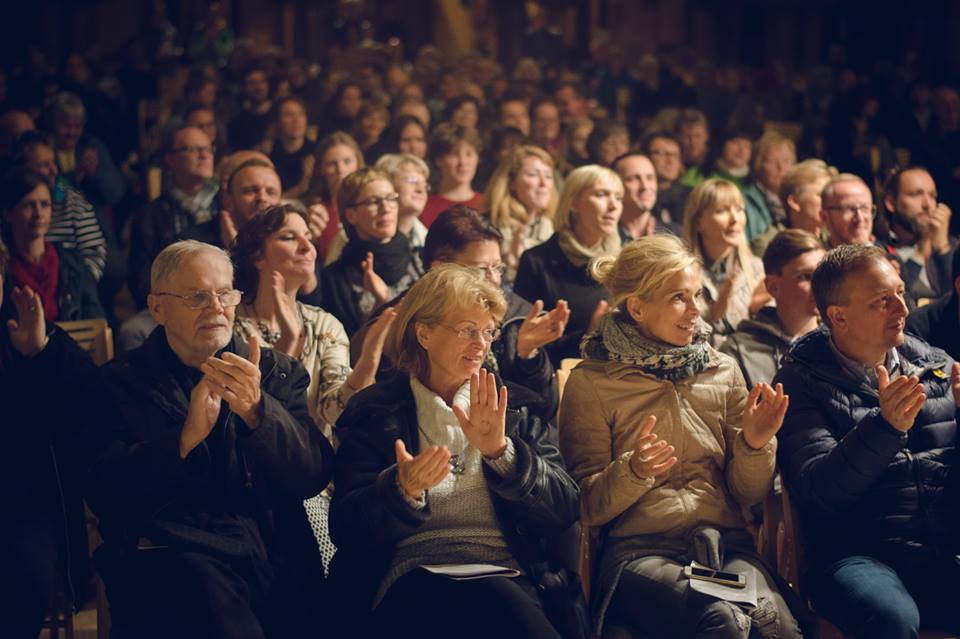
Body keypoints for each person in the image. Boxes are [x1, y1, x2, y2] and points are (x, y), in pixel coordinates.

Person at [85, 240, 334, 639]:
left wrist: (258, 412)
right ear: (157, 307)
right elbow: (104, 488)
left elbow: (311, 474)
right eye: (196, 296)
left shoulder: (274, 372)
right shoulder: (119, 383)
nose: (216, 308)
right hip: (172, 556)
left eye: (224, 294)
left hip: (270, 552)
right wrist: (183, 441)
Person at [559, 234, 802, 639]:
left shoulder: (721, 369)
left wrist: (755, 445)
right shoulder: (592, 381)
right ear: (636, 307)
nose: (696, 312)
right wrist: (634, 471)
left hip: (725, 546)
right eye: (678, 298)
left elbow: (747, 493)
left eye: (697, 295)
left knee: (777, 627)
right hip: (641, 552)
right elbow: (587, 507)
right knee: (724, 621)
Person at [328, 264, 581, 639]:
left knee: (501, 603)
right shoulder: (373, 411)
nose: (481, 344)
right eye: (467, 331)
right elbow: (345, 528)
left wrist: (502, 453)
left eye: (488, 332)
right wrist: (401, 491)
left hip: (505, 571)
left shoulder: (516, 408)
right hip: (412, 575)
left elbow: (565, 509)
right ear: (424, 333)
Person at [774, 243, 960, 638]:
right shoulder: (800, 382)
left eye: (900, 293)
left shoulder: (937, 368)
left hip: (939, 546)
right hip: (855, 554)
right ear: (838, 317)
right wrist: (885, 427)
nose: (902, 309)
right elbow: (816, 492)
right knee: (891, 617)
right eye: (882, 301)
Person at [351, 205, 565, 419]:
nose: (494, 279)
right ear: (439, 268)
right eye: (480, 269)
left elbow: (544, 413)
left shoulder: (518, 315)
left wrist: (528, 357)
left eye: (497, 268)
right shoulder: (400, 321)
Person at [0, 242, 98, 638]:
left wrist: (40, 352)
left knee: (28, 575)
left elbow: (93, 400)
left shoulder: (24, 329)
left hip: (20, 502)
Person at [231, 202, 394, 437]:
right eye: (289, 237)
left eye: (308, 237)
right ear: (257, 256)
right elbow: (248, 418)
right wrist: (287, 344)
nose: (307, 247)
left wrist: (366, 365)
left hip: (316, 467)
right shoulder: (231, 326)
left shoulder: (324, 325)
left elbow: (335, 413)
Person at [514, 164, 623, 365]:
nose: (613, 206)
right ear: (573, 203)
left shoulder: (625, 260)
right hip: (560, 379)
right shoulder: (537, 261)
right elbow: (524, 346)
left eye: (618, 198)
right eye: (601, 194)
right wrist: (589, 335)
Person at [320, 168, 422, 336]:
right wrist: (381, 304)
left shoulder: (420, 259)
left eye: (391, 198)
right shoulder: (335, 279)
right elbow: (347, 347)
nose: (386, 208)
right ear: (351, 215)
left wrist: (386, 297)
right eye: (373, 202)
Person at [128, 125, 220, 307]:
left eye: (208, 149)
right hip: (177, 304)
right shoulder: (149, 215)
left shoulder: (227, 204)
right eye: (193, 149)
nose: (204, 155)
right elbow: (141, 283)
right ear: (171, 159)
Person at [721, 229, 825, 387]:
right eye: (805, 277)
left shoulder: (841, 342)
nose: (819, 285)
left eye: (822, 275)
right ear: (773, 286)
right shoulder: (738, 351)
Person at [1, 169, 103, 321]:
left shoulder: (72, 261)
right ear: (8, 214)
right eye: (29, 205)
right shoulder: (3, 267)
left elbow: (94, 317)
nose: (39, 214)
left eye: (45, 204)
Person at [683, 178, 768, 344]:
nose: (735, 219)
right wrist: (713, 313)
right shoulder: (683, 272)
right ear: (698, 222)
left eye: (739, 209)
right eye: (722, 211)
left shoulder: (757, 268)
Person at [14, 130, 107, 280]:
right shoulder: (9, 205)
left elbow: (94, 252)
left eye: (53, 162)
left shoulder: (73, 201)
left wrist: (74, 286)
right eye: (44, 164)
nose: (53, 170)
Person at [879, 166, 955, 302]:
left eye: (933, 196)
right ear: (891, 203)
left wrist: (943, 249)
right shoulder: (878, 252)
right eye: (916, 194)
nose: (927, 205)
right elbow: (898, 301)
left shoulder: (952, 246)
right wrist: (919, 255)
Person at [484, 144, 558, 282]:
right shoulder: (487, 228)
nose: (543, 183)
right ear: (511, 182)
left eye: (548, 176)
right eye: (533, 174)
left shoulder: (557, 229)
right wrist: (512, 267)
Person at [43, 91, 125, 207]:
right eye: (66, 126)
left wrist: (95, 173)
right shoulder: (44, 149)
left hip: (93, 220)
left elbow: (115, 194)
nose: (71, 133)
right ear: (52, 124)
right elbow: (52, 196)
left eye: (77, 126)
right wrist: (75, 175)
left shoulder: (91, 146)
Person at [304, 131, 364, 262]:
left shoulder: (372, 205)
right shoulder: (316, 213)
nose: (340, 170)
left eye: (347, 161)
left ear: (358, 164)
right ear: (321, 169)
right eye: (332, 164)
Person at [421, 123, 484, 227]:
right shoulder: (423, 207)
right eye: (454, 154)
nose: (463, 163)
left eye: (469, 154)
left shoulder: (488, 205)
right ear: (438, 159)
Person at [742, 132, 797, 251]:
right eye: (772, 161)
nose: (781, 168)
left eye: (786, 161)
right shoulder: (743, 202)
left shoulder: (797, 200)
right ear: (758, 165)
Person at [612, 151, 681, 239]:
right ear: (616, 185)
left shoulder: (675, 236)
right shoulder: (602, 235)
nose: (645, 186)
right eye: (634, 179)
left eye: (650, 178)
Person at [374, 153, 430, 250]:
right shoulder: (360, 235)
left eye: (425, 185)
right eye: (412, 181)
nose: (421, 190)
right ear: (388, 185)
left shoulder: (429, 242)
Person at [778, 159, 836, 241]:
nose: (830, 202)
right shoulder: (769, 246)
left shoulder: (834, 238)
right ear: (794, 201)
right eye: (821, 195)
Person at [268, 96, 313, 199]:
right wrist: (300, 187)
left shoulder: (316, 152)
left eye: (300, 114)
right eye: (289, 115)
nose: (296, 120)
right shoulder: (270, 155)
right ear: (278, 121)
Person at [644, 131, 690, 229]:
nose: (670, 160)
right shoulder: (640, 197)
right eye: (662, 154)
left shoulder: (692, 198)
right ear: (645, 157)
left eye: (675, 155)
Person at [820, 173, 876, 249]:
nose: (860, 218)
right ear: (824, 217)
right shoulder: (814, 259)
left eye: (864, 208)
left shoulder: (887, 259)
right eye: (850, 209)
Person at [227, 64, 273, 152]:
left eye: (262, 81)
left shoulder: (281, 114)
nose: (259, 87)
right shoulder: (236, 124)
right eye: (252, 83)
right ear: (244, 88)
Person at [677, 108, 710, 188]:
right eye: (687, 136)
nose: (693, 142)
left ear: (706, 136)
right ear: (678, 137)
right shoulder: (673, 161)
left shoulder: (716, 161)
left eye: (697, 136)